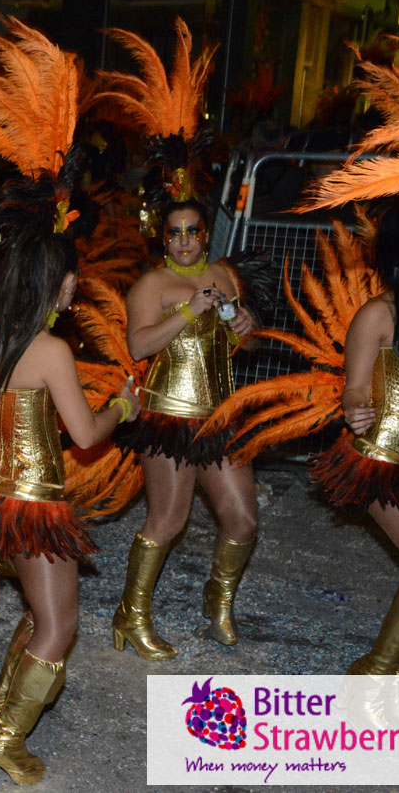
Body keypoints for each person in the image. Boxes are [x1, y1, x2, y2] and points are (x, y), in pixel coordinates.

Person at [0, 228, 137, 786]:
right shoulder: (52, 349)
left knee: (39, 614)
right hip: (35, 506)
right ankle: (7, 739)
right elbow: (85, 435)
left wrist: (26, 420)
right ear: (60, 285)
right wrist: (123, 408)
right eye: (70, 280)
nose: (73, 288)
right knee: (59, 628)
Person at [114, 199, 260, 659]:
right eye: (174, 232)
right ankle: (131, 615)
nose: (182, 240)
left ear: (205, 233)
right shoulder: (152, 285)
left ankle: (219, 601)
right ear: (164, 238)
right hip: (168, 418)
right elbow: (139, 344)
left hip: (218, 415)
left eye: (191, 231)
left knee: (243, 519)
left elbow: (244, 344)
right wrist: (189, 311)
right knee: (168, 520)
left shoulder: (224, 275)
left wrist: (245, 326)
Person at [312, 198, 399, 674]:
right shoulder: (379, 315)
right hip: (383, 463)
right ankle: (370, 678)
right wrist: (355, 412)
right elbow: (355, 390)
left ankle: (394, 682)